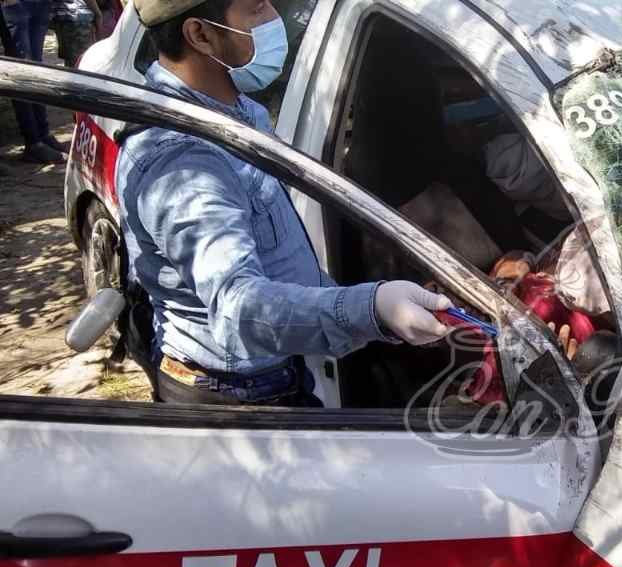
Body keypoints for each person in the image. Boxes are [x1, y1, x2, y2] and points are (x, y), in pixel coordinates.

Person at [118, 0, 453, 406]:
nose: (275, 18)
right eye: (256, 8)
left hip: (275, 371)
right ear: (200, 35)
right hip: (234, 399)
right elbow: (240, 309)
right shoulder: (183, 165)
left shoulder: (238, 113)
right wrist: (372, 309)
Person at [2, 0, 66, 163]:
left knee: (36, 70)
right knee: (22, 73)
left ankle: (43, 135)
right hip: (14, 5)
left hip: (40, 4)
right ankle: (33, 142)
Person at [51, 0, 101, 67]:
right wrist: (98, 14)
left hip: (62, 17)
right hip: (79, 18)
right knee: (82, 58)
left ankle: (71, 75)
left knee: (70, 57)